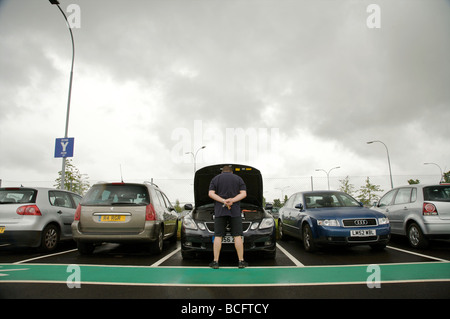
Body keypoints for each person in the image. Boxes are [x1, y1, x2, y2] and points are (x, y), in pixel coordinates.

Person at [208, 165, 248, 269]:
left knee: (218, 236)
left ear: (222, 172)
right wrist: (232, 200)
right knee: (237, 236)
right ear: (232, 172)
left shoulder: (215, 179)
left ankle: (215, 261)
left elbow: (211, 193)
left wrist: (223, 201)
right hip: (235, 211)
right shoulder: (238, 179)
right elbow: (243, 194)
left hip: (220, 210)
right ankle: (241, 261)